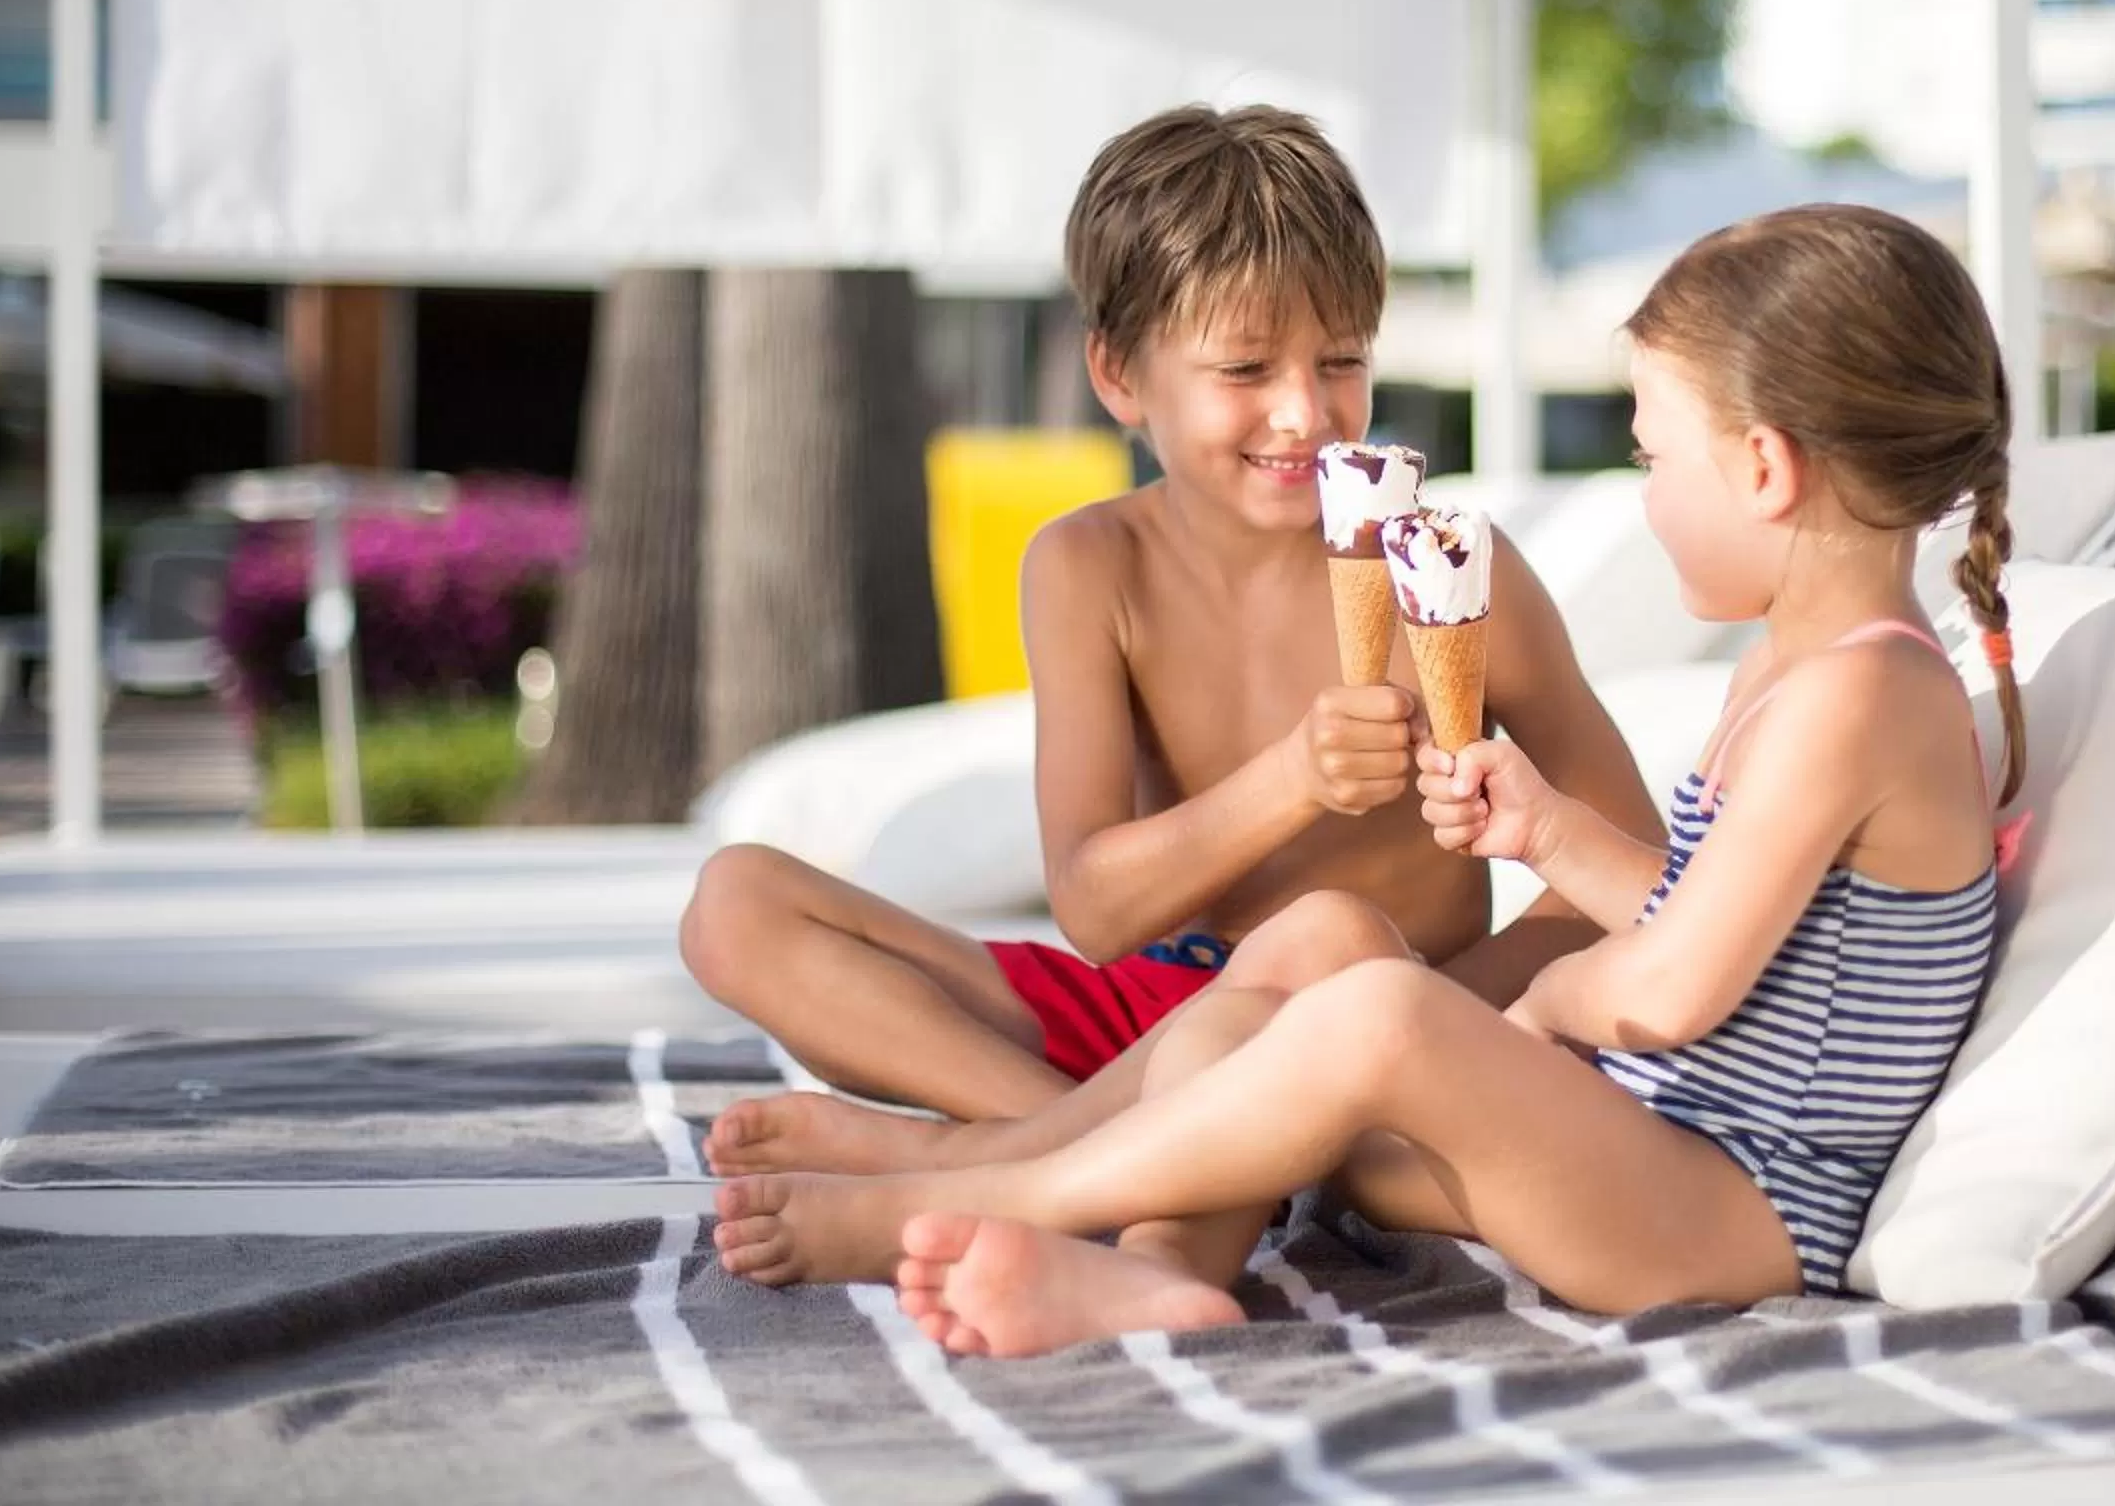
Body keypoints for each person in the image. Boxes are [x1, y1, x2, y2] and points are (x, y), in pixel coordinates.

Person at [710, 203, 2031, 1351]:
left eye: (1650, 458)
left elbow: (1674, 985)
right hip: (1645, 1148)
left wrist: (1544, 1003)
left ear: (1764, 468)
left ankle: (980, 1190)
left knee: (1379, 1011)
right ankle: (1153, 1273)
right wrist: (1549, 833)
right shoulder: (1797, 671)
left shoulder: (1860, 696)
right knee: (1295, 972)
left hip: (1730, 1206)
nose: (1643, 494)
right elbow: (1697, 913)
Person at [680, 104, 1656, 1174]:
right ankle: (1086, 1144)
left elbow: (1629, 870)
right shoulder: (1088, 566)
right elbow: (1095, 911)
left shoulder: (1453, 570)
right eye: (1245, 370)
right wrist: (1293, 779)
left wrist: (1428, 1014)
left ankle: (1032, 1161)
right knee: (738, 902)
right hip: (1145, 1018)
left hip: (1360, 1026)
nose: (1305, 412)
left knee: (1331, 929)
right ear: (1118, 376)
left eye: (1340, 360)